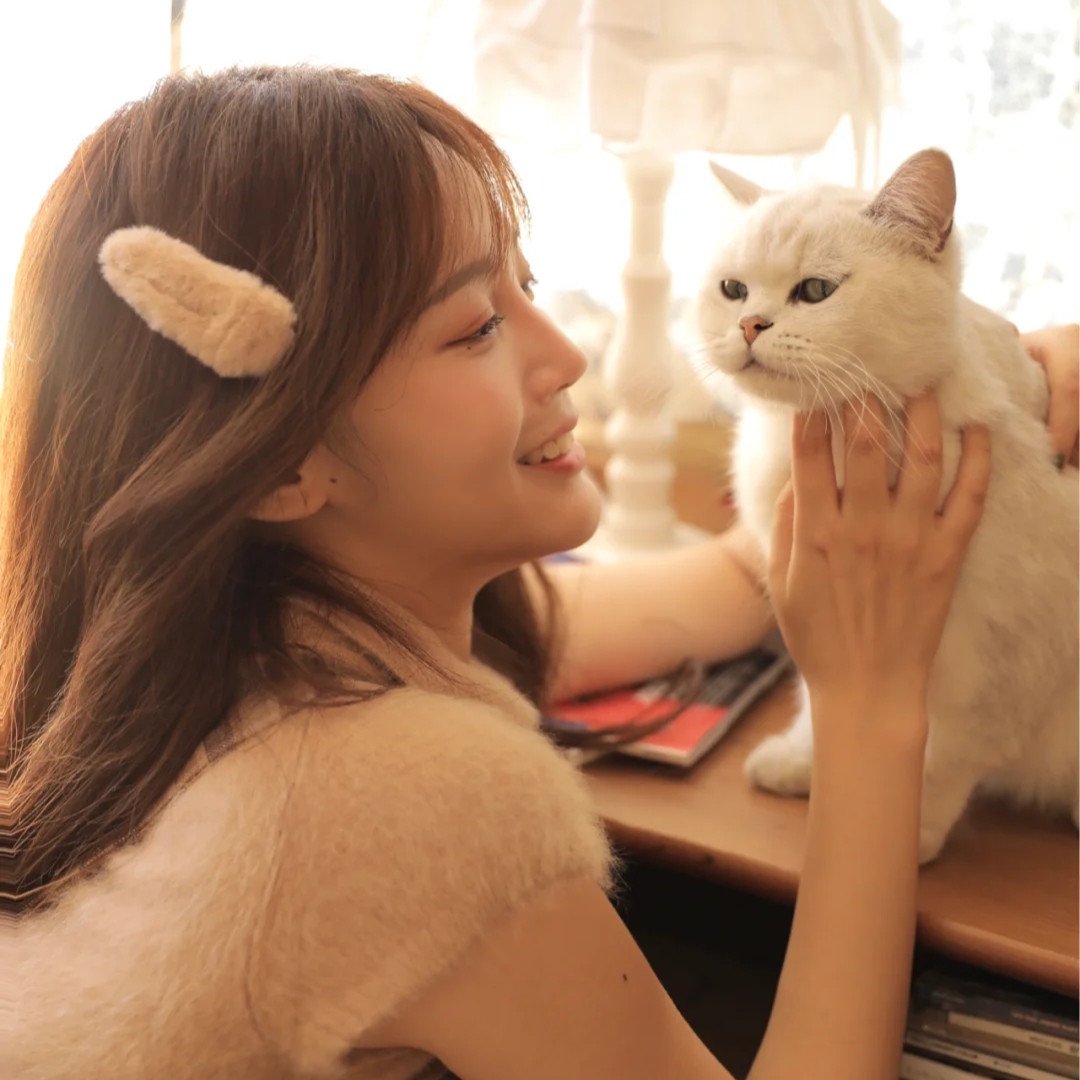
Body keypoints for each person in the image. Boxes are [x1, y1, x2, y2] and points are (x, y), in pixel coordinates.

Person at [0, 65, 1074, 1080]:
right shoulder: (398, 797)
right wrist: (873, 706)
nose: (566, 353)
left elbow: (731, 584)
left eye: (528, 285)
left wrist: (986, 382)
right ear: (282, 462)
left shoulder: (239, 642)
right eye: (477, 325)